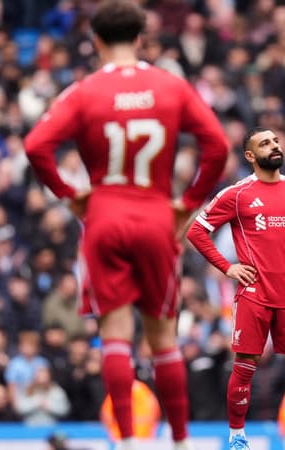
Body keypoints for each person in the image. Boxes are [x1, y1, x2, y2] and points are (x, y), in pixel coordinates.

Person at [23, 1, 229, 449]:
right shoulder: (169, 86)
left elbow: (37, 145)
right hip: (156, 215)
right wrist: (188, 203)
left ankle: (130, 441)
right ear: (140, 40)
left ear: (95, 41)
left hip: (105, 215)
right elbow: (217, 145)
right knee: (163, 336)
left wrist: (68, 194)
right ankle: (180, 441)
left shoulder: (84, 91)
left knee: (115, 335)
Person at [187, 127, 285, 450]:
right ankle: (237, 438)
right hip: (254, 294)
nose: (274, 146)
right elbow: (197, 231)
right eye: (265, 143)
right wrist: (228, 267)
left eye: (275, 141)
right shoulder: (237, 193)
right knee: (244, 365)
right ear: (250, 156)